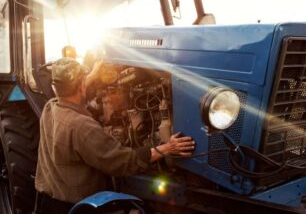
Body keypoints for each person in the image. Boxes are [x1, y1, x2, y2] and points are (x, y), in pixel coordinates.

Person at [34, 58, 195, 214]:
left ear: (56, 87)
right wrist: (166, 148)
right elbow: (123, 162)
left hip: (48, 201)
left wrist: (91, 76)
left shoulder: (50, 107)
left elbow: (71, 92)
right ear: (81, 85)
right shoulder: (82, 127)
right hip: (78, 208)